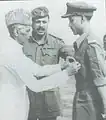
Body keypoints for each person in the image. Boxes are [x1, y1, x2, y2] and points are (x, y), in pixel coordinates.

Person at [0, 8, 81, 120]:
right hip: (10, 109)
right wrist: (66, 73)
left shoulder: (13, 49)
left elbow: (37, 70)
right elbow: (36, 86)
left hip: (17, 105)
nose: (29, 35)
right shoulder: (11, 53)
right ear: (16, 32)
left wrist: (62, 66)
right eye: (27, 31)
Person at [22, 6, 70, 120]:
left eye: (44, 22)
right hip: (29, 101)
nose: (41, 25)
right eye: (37, 22)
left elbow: (72, 57)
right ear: (32, 23)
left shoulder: (57, 43)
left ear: (48, 22)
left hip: (50, 102)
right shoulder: (23, 44)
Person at [61, 1, 106, 120]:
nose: (69, 25)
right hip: (84, 101)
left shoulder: (90, 44)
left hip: (89, 103)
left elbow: (100, 80)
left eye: (71, 20)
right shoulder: (82, 43)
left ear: (82, 18)